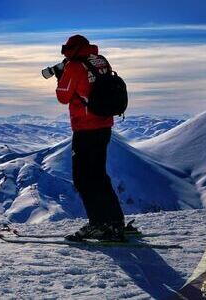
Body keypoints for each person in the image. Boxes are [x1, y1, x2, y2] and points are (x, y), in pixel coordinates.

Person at [54, 35, 133, 242]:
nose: (64, 53)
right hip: (104, 125)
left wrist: (60, 75)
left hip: (86, 128)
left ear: (72, 49)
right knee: (99, 175)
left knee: (83, 178)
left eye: (66, 49)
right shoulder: (100, 61)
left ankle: (98, 224)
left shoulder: (74, 66)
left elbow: (63, 95)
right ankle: (115, 222)